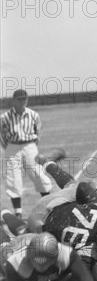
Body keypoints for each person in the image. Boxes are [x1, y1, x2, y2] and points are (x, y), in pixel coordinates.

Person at [0, 89, 53, 219]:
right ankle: (18, 212)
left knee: (38, 173)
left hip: (30, 146)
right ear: (13, 101)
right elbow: (1, 136)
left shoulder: (33, 115)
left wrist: (31, 145)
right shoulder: (5, 118)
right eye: (20, 99)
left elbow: (38, 131)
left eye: (25, 99)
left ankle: (48, 206)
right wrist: (10, 148)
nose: (23, 101)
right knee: (13, 177)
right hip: (12, 147)